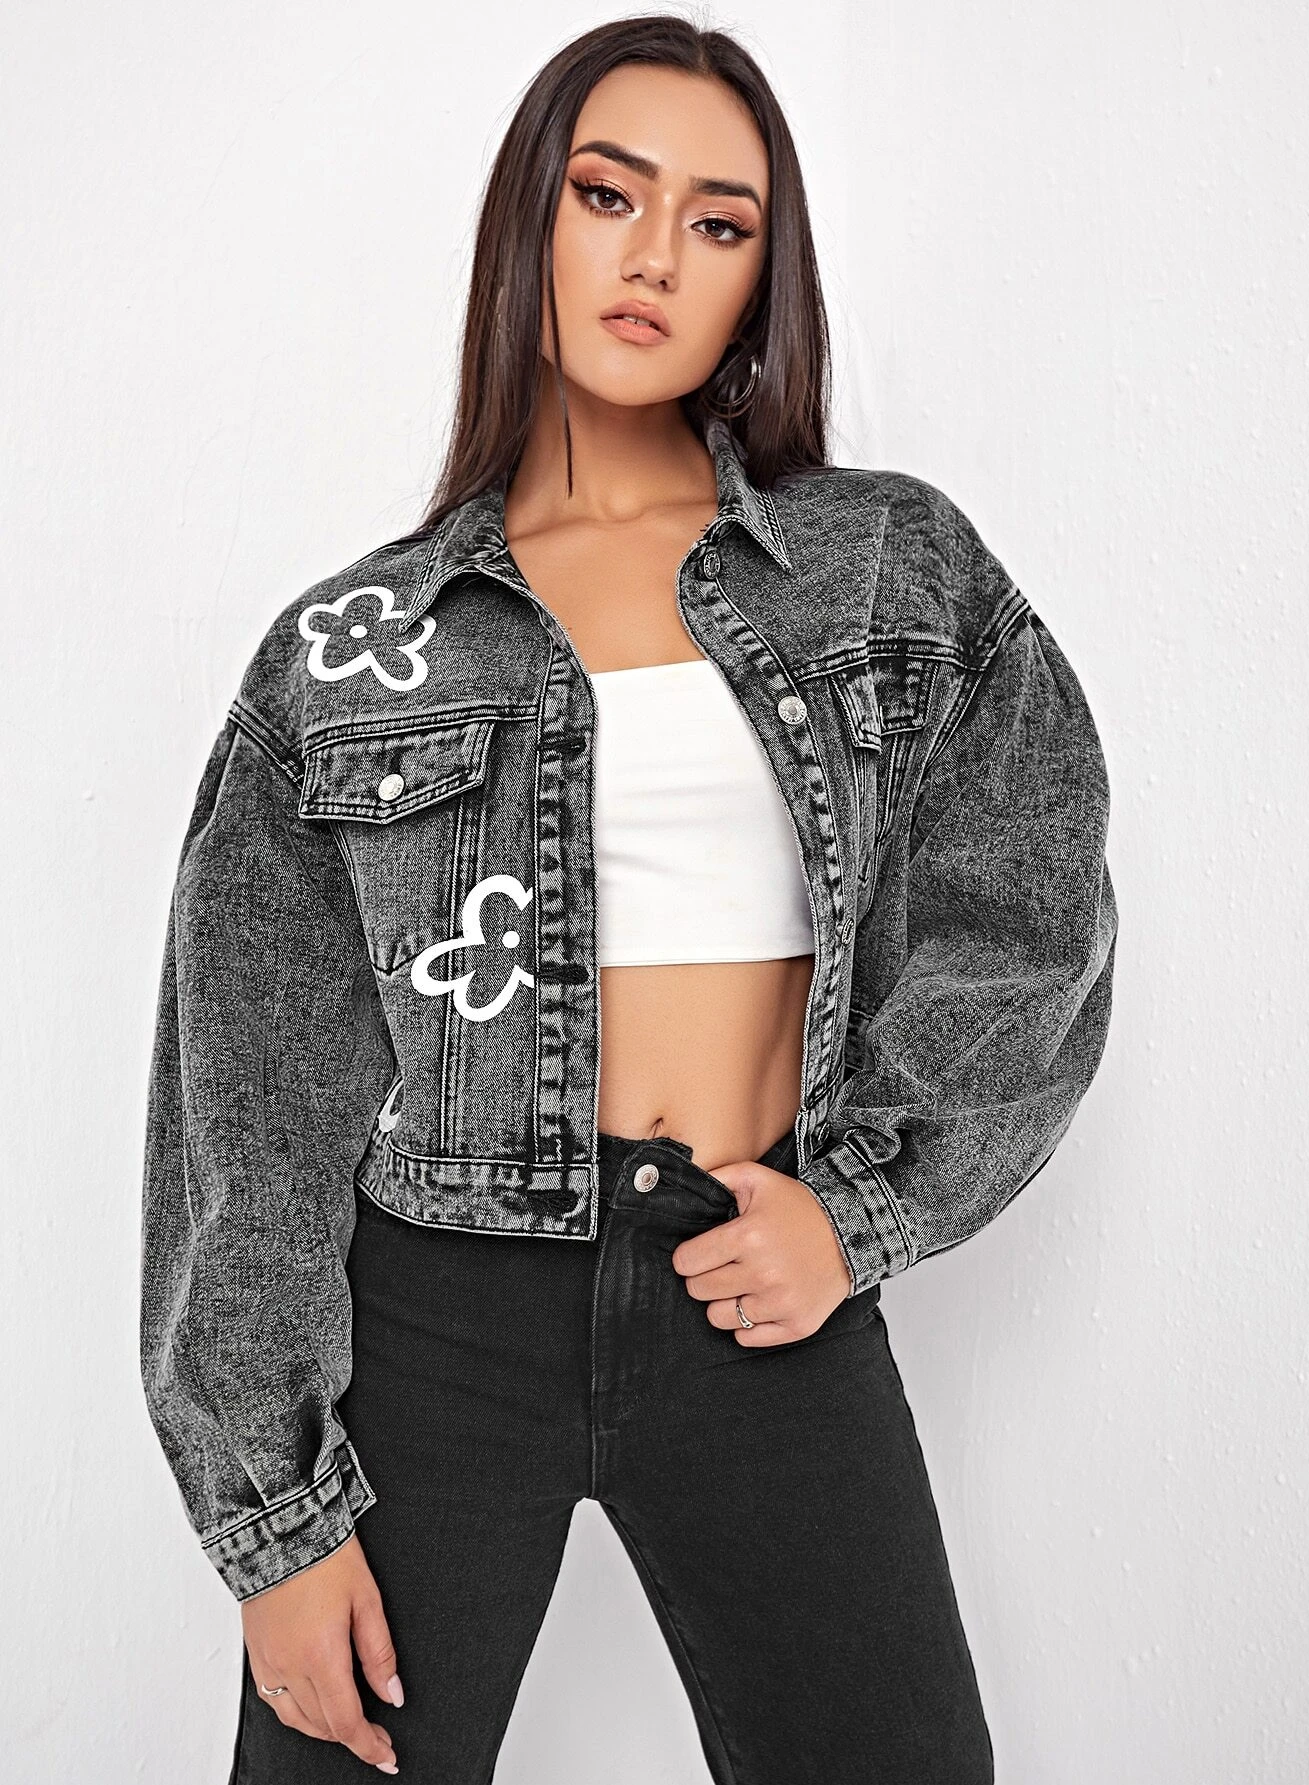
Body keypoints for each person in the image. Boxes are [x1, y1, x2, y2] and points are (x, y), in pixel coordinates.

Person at [139, 17, 1117, 1783]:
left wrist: (861, 1215)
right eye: (609, 195)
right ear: (531, 222)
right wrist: (271, 1522)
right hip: (437, 1305)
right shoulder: (353, 650)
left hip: (760, 1278)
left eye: (720, 222)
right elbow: (250, 1105)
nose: (656, 255)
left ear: (761, 281)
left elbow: (1027, 911)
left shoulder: (887, 565)